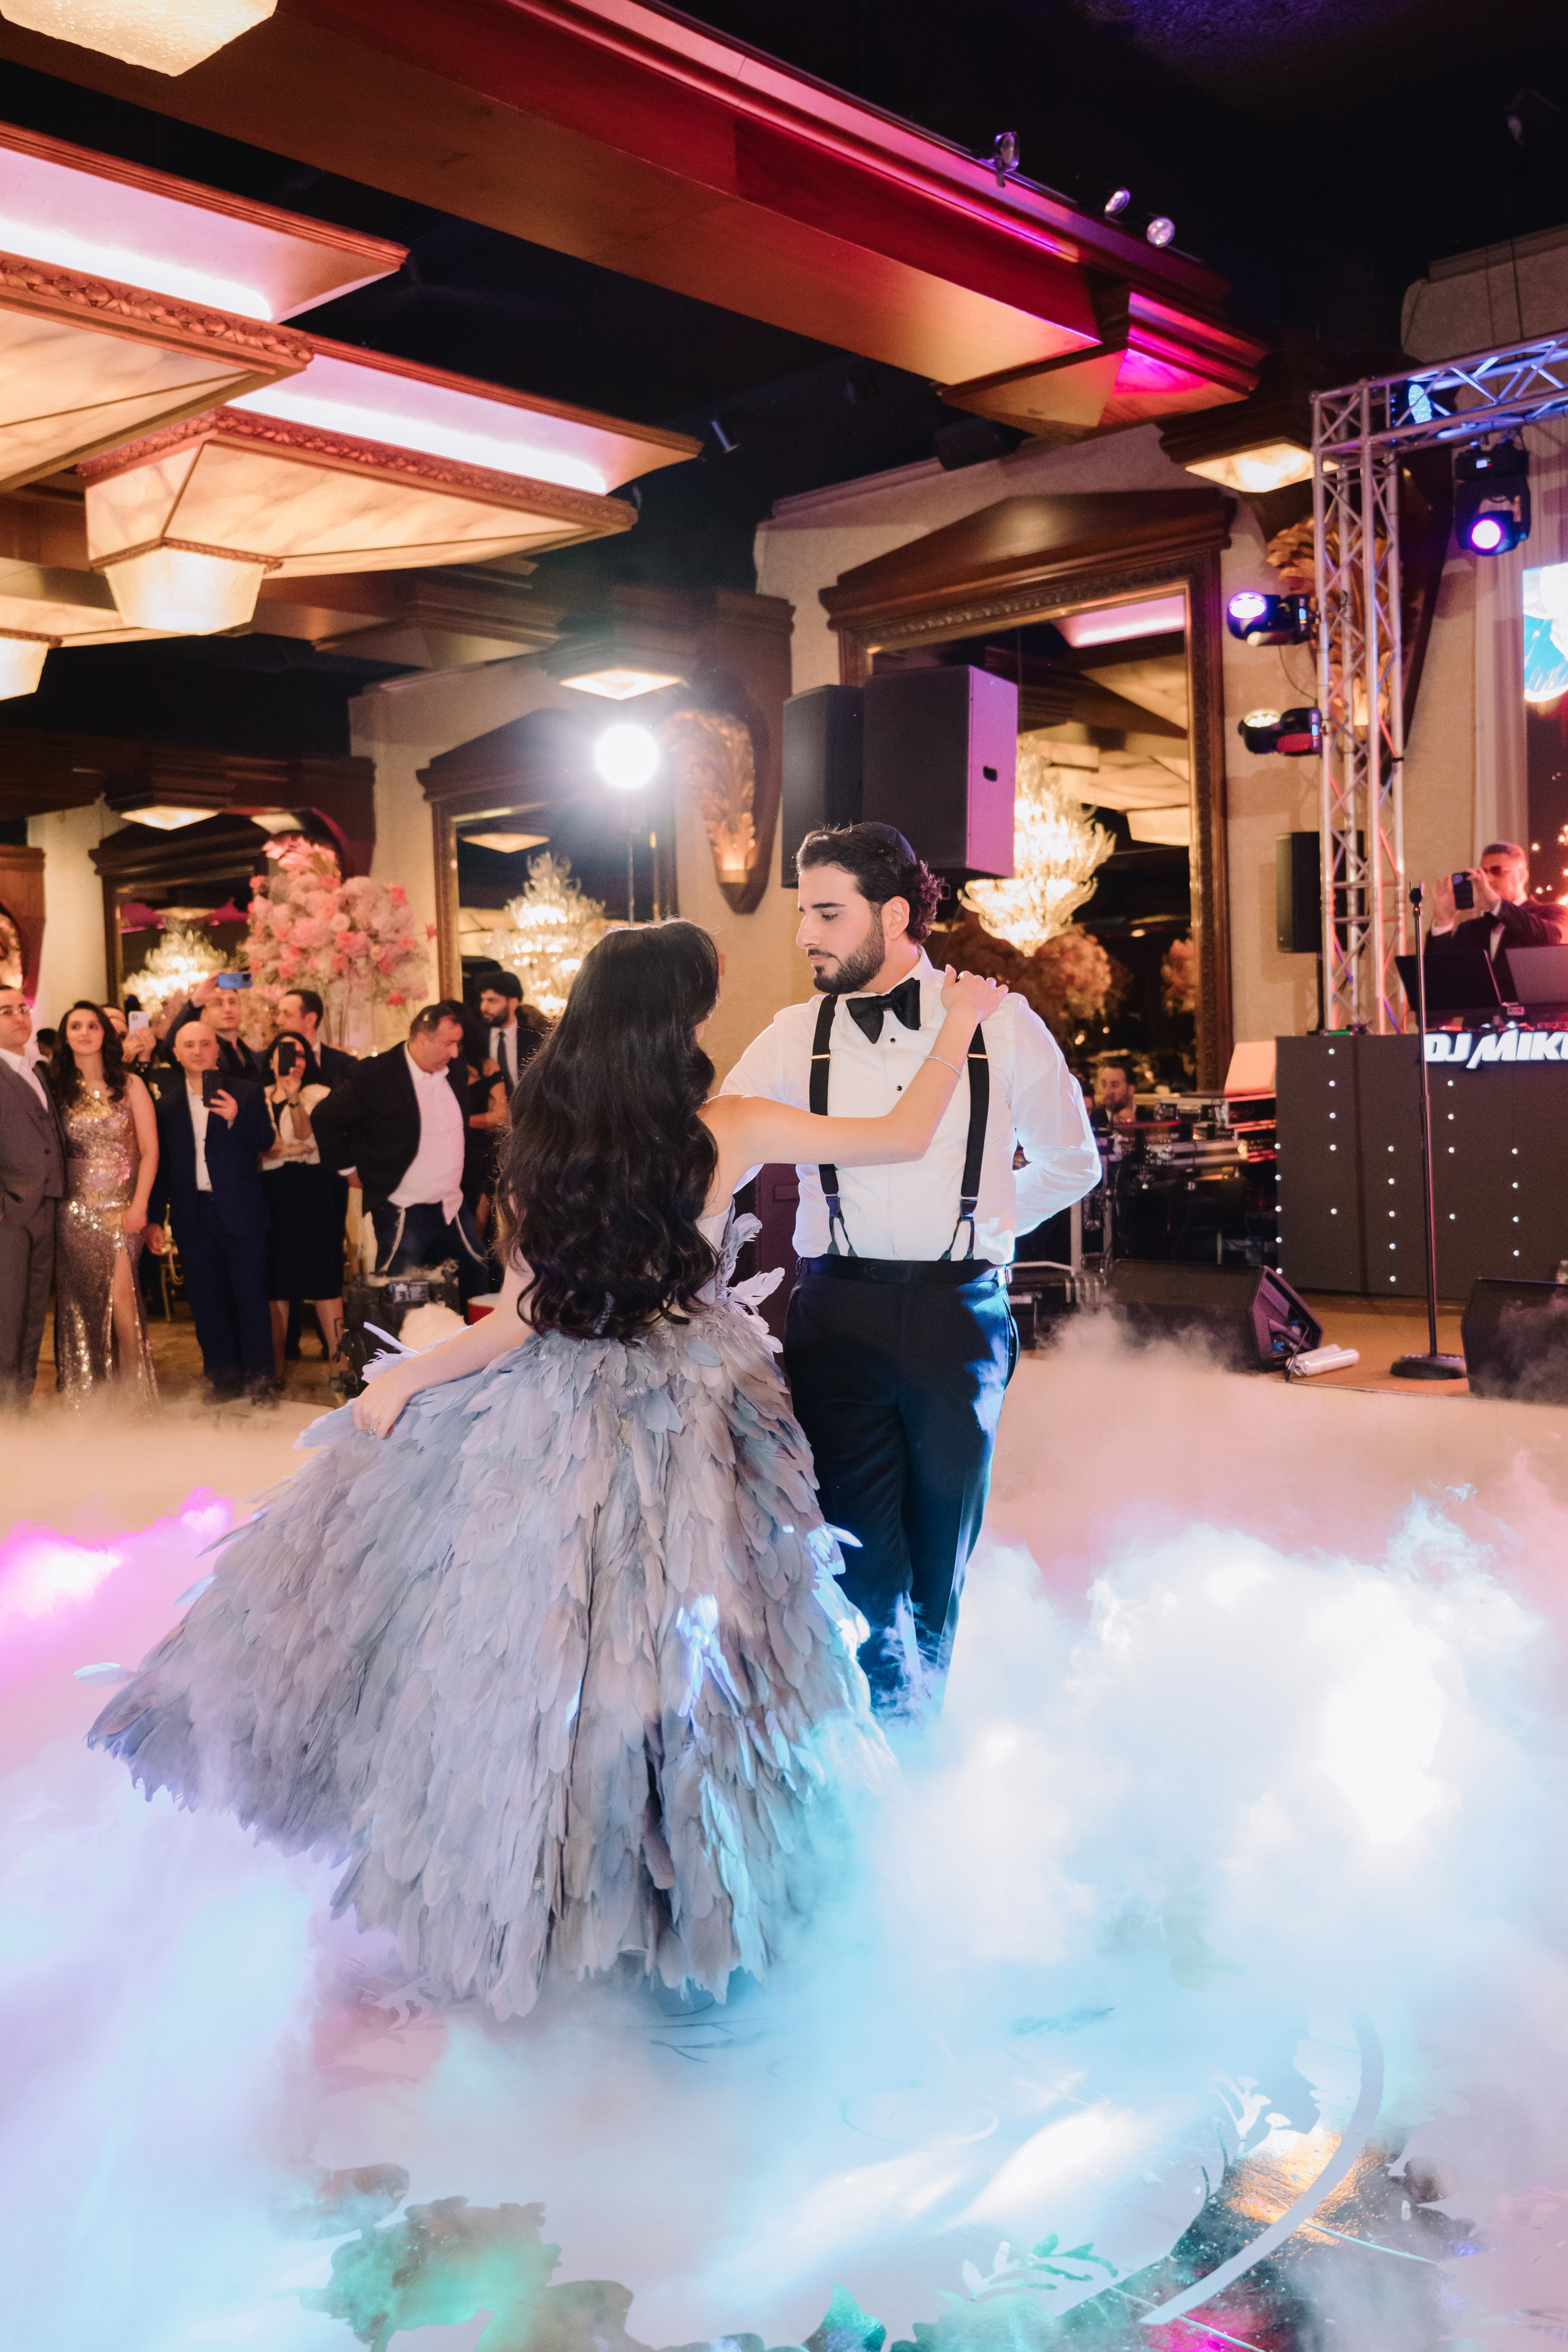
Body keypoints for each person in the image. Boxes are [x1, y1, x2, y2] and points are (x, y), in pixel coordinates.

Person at [91, 922, 1008, 2021]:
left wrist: (415, 1378)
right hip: (691, 1410)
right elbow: (906, 1136)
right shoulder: (730, 1129)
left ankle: (558, 1899)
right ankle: (678, 1901)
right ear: (685, 1018)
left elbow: (526, 1313)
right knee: (697, 1652)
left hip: (560, 1402)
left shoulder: (550, 1138)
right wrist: (959, 1024)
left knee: (542, 1650)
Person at [721, 822, 1101, 1714]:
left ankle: (921, 1738)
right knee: (854, 1558)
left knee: (939, 1555)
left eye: (826, 912)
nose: (805, 934)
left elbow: (1071, 1161)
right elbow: (713, 1161)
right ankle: (870, 1745)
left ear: (893, 915)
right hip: (835, 1316)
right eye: (803, 913)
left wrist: (984, 1231)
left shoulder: (1002, 1024)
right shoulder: (788, 1035)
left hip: (957, 1320)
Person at [311, 1000, 491, 1302]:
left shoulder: (454, 1070)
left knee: (477, 1274)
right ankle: (399, 1349)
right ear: (423, 1038)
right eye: (449, 1044)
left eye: (458, 1044)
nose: (455, 1053)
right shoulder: (376, 1074)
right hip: (404, 1206)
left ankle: (478, 1347)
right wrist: (348, 1170)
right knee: (401, 1292)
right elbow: (324, 1118)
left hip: (451, 1203)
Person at [145, 1020, 275, 1404]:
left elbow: (267, 1141)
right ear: (177, 1053)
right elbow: (163, 1167)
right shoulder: (165, 1106)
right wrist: (155, 1218)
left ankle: (262, 1379)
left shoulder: (247, 1093)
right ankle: (223, 1378)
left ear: (217, 1050)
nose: (199, 1051)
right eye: (190, 1045)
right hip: (193, 1215)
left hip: (242, 1213)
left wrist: (237, 1117)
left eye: (206, 1043)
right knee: (206, 1299)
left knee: (251, 1297)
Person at [48, 1000, 159, 1406]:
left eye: (91, 1025)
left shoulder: (130, 1085)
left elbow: (150, 1151)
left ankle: (135, 1397)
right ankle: (88, 1399)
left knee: (124, 1297)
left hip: (121, 1208)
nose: (83, 1032)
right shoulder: (57, 1088)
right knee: (80, 1303)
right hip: (72, 1211)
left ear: (104, 1034)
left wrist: (140, 1207)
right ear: (66, 1037)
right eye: (74, 1026)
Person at [259, 1034, 345, 1385]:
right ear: (270, 1060)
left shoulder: (318, 1095)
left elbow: (310, 1140)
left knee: (324, 1276)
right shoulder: (258, 1097)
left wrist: (294, 1097)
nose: (293, 1061)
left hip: (313, 1192)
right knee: (275, 1279)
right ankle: (276, 1364)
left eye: (300, 1055)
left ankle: (339, 1361)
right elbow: (259, 1148)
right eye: (285, 1054)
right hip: (271, 1194)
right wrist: (289, 1149)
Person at [0, 986, 64, 1408]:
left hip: (48, 1203)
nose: (20, 1017)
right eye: (6, 1012)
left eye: (22, 1009)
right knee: (7, 1313)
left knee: (34, 1309)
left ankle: (21, 1395)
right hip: (10, 1210)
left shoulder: (37, 1069)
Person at [1428, 841, 1566, 997]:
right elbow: (1440, 986)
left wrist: (1497, 904)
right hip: (1480, 1023)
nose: (1488, 880)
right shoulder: (1470, 930)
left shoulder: (1552, 913)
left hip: (1533, 1021)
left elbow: (1554, 938)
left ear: (1522, 876)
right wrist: (1443, 922)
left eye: (1496, 871)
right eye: (1483, 873)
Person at [165, 979, 266, 1082]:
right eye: (218, 1003)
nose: (228, 1009)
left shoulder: (253, 1057)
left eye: (232, 1002)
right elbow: (172, 1046)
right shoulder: (200, 1054)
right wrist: (196, 1002)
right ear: (204, 1015)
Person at [276, 987, 356, 1087]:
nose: (279, 1021)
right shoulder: (268, 1061)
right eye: (278, 1013)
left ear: (310, 1020)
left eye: (287, 1014)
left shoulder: (344, 1063)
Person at [478, 970, 537, 1093]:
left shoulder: (536, 1039)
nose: (484, 1007)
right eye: (482, 1000)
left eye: (492, 1000)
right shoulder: (476, 1039)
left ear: (513, 1003)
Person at [1092, 1060, 1139, 1133]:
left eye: (1114, 1085)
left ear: (1130, 1090)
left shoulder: (1148, 1117)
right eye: (1104, 1085)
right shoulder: (1092, 1119)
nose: (1107, 1092)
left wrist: (1135, 1128)